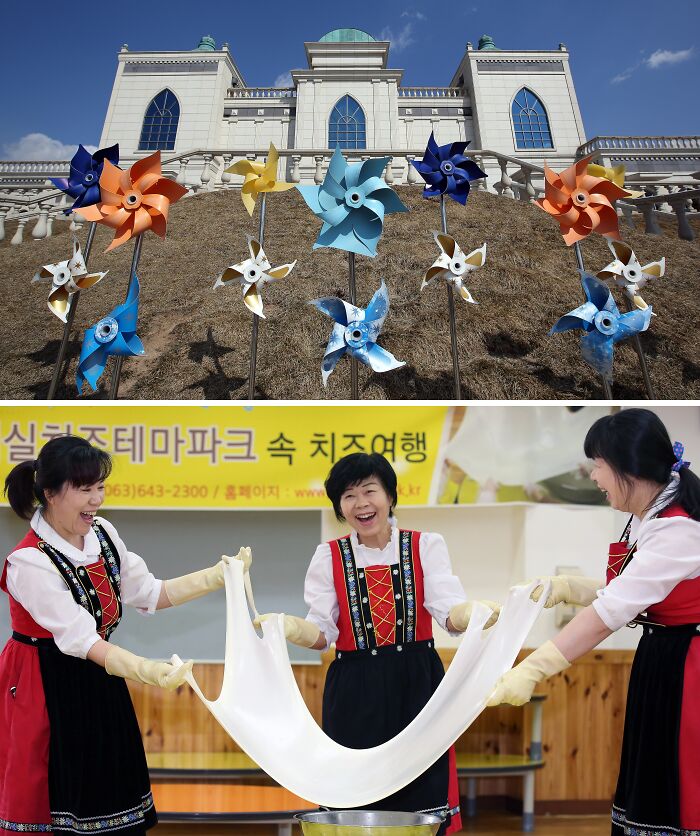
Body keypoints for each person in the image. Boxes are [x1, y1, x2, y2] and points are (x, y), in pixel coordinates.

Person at [0, 435, 248, 835]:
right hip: (45, 686)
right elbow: (80, 638)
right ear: (50, 493)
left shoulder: (103, 535)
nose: (96, 499)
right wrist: (146, 670)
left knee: (114, 799)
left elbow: (149, 592)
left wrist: (217, 576)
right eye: (84, 489)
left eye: (99, 487)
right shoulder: (29, 562)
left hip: (100, 675)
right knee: (57, 800)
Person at [260, 452, 498, 835]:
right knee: (355, 793)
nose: (361, 503)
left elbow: (448, 612)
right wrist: (287, 627)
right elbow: (322, 632)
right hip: (354, 686)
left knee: (421, 793)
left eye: (370, 490)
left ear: (390, 495)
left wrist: (475, 612)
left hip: (417, 683)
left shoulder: (425, 545)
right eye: (349, 496)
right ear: (339, 506)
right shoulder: (328, 556)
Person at [488, 408, 700, 836]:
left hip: (687, 667)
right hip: (663, 659)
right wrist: (567, 588)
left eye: (598, 466)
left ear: (628, 469)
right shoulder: (651, 516)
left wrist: (533, 668)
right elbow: (634, 590)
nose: (593, 477)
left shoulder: (678, 529)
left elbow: (611, 612)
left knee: (678, 783)